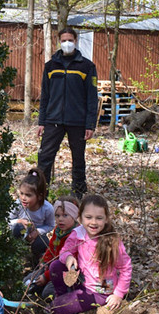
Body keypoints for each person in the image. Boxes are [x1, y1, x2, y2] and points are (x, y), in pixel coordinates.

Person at [37, 27, 99, 198]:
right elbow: (45, 95)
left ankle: (78, 195)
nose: (67, 43)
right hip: (53, 120)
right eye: (63, 40)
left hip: (77, 121)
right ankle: (41, 194)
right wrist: (41, 121)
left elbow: (92, 98)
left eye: (70, 40)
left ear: (76, 41)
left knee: (78, 159)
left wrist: (90, 124)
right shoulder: (50, 66)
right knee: (44, 159)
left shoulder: (87, 66)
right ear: (59, 41)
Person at [49, 195, 132, 314]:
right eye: (88, 217)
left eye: (99, 218)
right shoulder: (79, 233)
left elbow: (125, 267)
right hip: (82, 280)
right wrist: (68, 257)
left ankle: (61, 304)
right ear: (80, 218)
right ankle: (62, 296)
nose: (93, 222)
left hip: (100, 290)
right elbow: (65, 251)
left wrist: (118, 294)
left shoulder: (111, 240)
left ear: (106, 219)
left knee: (57, 308)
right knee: (56, 266)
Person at [23, 196, 79, 299]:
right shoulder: (58, 230)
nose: (60, 219)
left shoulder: (75, 236)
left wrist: (46, 276)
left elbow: (62, 264)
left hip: (63, 273)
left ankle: (65, 294)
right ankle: (36, 288)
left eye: (65, 215)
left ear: (74, 216)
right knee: (28, 280)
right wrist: (44, 262)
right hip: (50, 267)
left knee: (48, 293)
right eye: (57, 216)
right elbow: (51, 247)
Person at [7, 168, 54, 262]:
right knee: (18, 229)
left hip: (36, 236)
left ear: (39, 196)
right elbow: (7, 220)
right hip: (20, 234)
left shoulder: (47, 208)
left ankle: (37, 262)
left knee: (43, 243)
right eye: (21, 193)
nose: (23, 198)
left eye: (28, 195)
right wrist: (19, 221)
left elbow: (50, 225)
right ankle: (16, 257)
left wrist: (38, 231)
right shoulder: (17, 204)